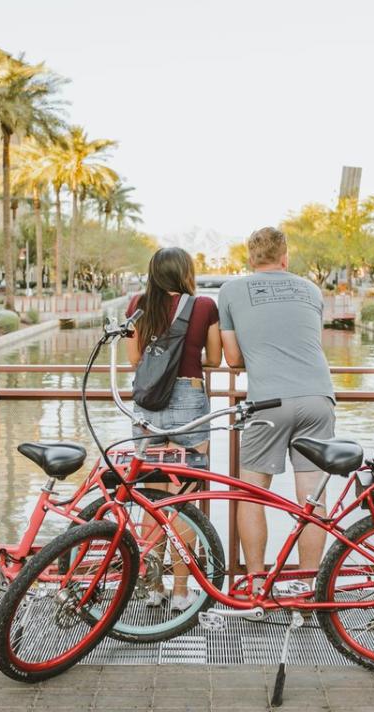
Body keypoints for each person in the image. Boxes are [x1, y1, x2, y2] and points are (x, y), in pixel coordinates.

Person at [218, 226, 335, 590]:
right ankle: (308, 587)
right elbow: (311, 342)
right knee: (312, 499)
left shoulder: (231, 291)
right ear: (285, 258)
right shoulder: (311, 290)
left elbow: (234, 358)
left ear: (251, 260)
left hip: (267, 402)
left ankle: (255, 585)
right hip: (318, 397)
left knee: (252, 495)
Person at [125, 246, 221, 610]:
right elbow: (214, 359)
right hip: (189, 405)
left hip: (148, 405)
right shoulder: (203, 307)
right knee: (183, 500)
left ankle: (152, 588)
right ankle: (182, 592)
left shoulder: (137, 304)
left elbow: (134, 359)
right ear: (186, 273)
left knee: (152, 498)